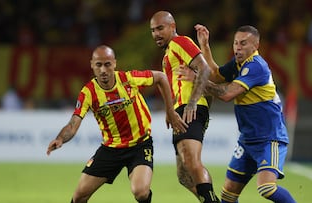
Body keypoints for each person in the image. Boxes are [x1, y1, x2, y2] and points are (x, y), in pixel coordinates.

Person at [46, 45, 188, 203]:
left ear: (114, 63)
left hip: (140, 145)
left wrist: (170, 111)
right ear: (92, 65)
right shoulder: (88, 92)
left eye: (107, 64)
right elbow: (73, 123)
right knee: (79, 197)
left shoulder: (129, 79)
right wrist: (60, 139)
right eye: (98, 65)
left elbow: (161, 77)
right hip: (111, 149)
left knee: (140, 192)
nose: (103, 70)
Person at [179, 24, 297, 203]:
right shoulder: (238, 64)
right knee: (228, 195)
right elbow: (216, 76)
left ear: (255, 46)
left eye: (243, 43)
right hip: (247, 140)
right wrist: (205, 46)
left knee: (266, 188)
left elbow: (226, 94)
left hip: (269, 138)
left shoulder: (256, 66)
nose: (238, 48)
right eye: (235, 43)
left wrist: (197, 79)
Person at [150, 11, 219, 203]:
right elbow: (172, 86)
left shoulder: (180, 42)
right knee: (183, 175)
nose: (156, 33)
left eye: (160, 28)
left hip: (191, 109)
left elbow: (204, 69)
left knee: (191, 161)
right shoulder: (168, 54)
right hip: (181, 110)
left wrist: (193, 102)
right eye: (153, 30)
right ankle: (210, 199)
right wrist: (169, 110)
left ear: (173, 27)